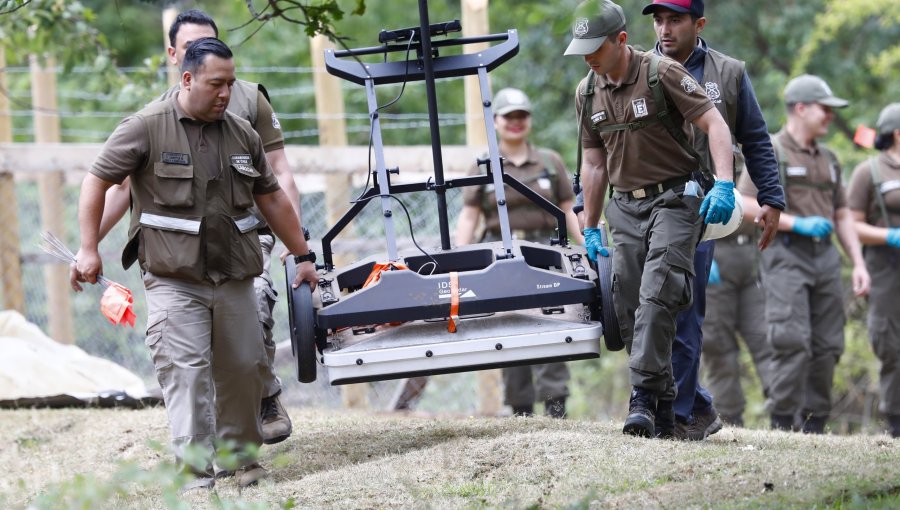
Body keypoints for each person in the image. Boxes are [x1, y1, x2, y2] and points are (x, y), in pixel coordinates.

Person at [71, 38, 319, 490]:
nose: (226, 93)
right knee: (185, 371)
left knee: (244, 367)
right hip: (174, 279)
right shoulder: (146, 126)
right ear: (187, 79)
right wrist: (89, 247)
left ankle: (240, 458)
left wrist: (302, 255)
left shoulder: (243, 133)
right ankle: (194, 470)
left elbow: (274, 199)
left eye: (230, 83)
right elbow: (98, 181)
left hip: (235, 277)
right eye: (216, 84)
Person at [564, 0, 737, 438]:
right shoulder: (587, 92)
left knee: (659, 295)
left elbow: (716, 125)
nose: (588, 57)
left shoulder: (662, 73)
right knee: (626, 308)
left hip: (676, 199)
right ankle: (667, 406)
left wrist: (725, 183)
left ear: (621, 40)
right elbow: (594, 162)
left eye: (595, 48)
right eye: (581, 49)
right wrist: (590, 224)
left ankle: (640, 398)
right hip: (625, 207)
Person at [642, 0, 785, 436]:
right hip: (640, 209)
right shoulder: (636, 70)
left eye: (675, 20)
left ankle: (678, 416)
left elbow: (756, 139)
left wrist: (772, 200)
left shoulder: (729, 73)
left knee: (684, 309)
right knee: (642, 311)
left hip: (702, 207)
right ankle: (694, 404)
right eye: (658, 20)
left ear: (699, 24)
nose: (665, 29)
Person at [740, 74, 869, 433]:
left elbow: (842, 213)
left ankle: (814, 427)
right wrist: (797, 223)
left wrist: (857, 263)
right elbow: (743, 203)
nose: (830, 116)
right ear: (801, 108)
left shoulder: (829, 159)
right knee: (791, 340)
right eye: (824, 109)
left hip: (825, 258)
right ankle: (783, 423)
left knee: (828, 345)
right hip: (784, 254)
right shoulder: (770, 150)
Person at [455, 87, 583, 418]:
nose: (515, 122)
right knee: (510, 331)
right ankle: (521, 412)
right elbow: (470, 215)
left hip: (545, 255)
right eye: (508, 117)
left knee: (552, 325)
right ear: (495, 121)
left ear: (530, 120)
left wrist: (587, 245)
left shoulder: (550, 162)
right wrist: (456, 259)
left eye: (521, 116)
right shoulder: (482, 166)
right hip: (501, 258)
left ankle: (557, 409)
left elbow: (568, 209)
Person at [846, 103, 900, 438]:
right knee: (891, 343)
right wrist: (889, 236)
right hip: (885, 267)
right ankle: (895, 422)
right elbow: (852, 225)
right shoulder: (870, 172)